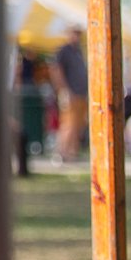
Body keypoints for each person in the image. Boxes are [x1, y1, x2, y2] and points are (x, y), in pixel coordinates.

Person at [51, 25, 88, 162]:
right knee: (68, 123)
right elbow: (56, 70)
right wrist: (64, 90)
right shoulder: (64, 51)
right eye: (74, 33)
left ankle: (72, 152)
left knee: (79, 124)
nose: (77, 36)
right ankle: (62, 152)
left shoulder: (78, 51)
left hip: (81, 93)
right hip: (70, 93)